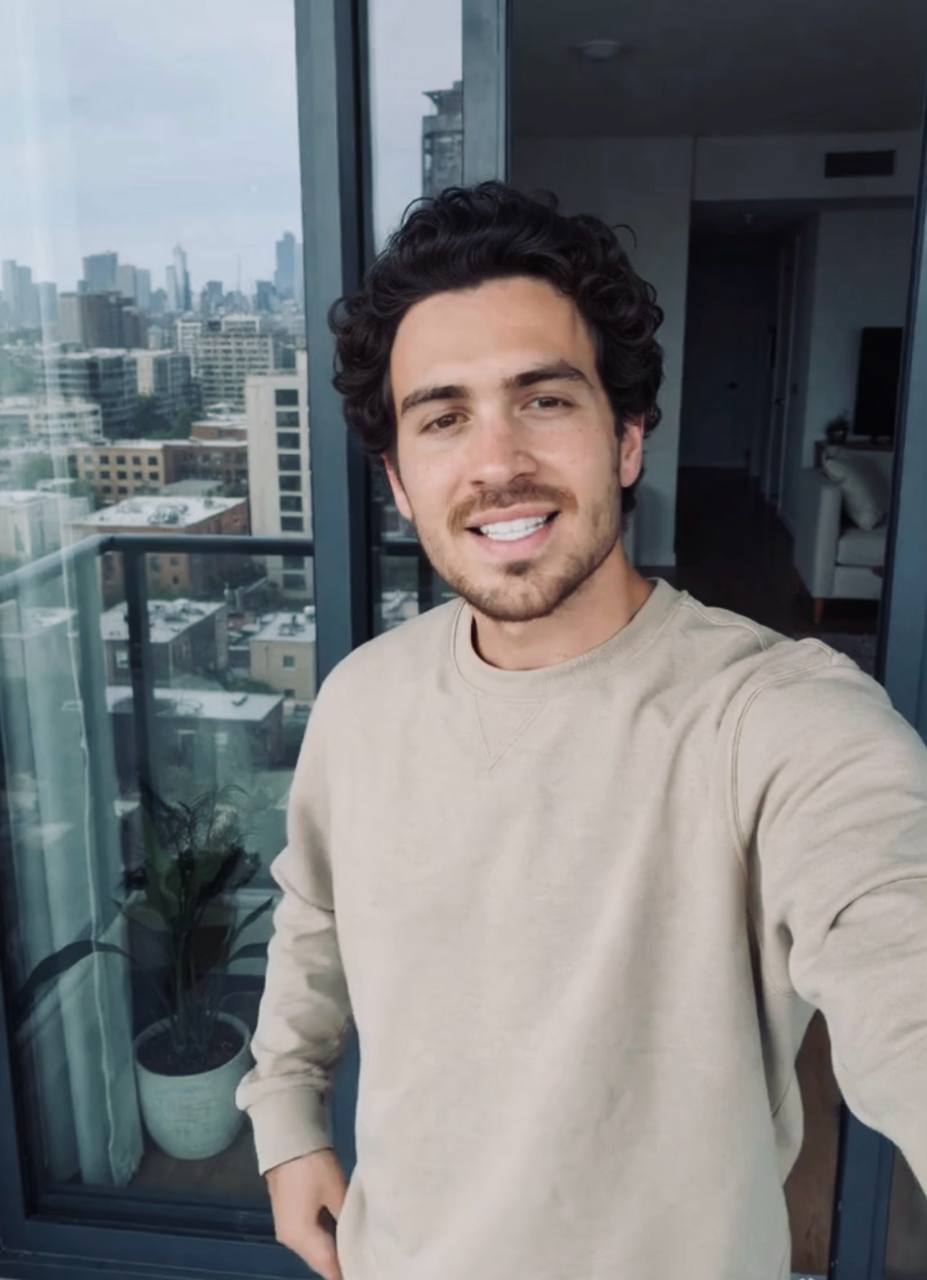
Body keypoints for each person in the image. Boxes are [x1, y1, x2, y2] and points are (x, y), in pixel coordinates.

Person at [235, 181, 927, 1280]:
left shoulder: (779, 719)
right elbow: (313, 910)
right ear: (400, 483)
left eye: (545, 399)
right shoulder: (364, 699)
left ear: (627, 438)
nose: (497, 460)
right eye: (444, 417)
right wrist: (285, 1113)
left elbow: (898, 947)